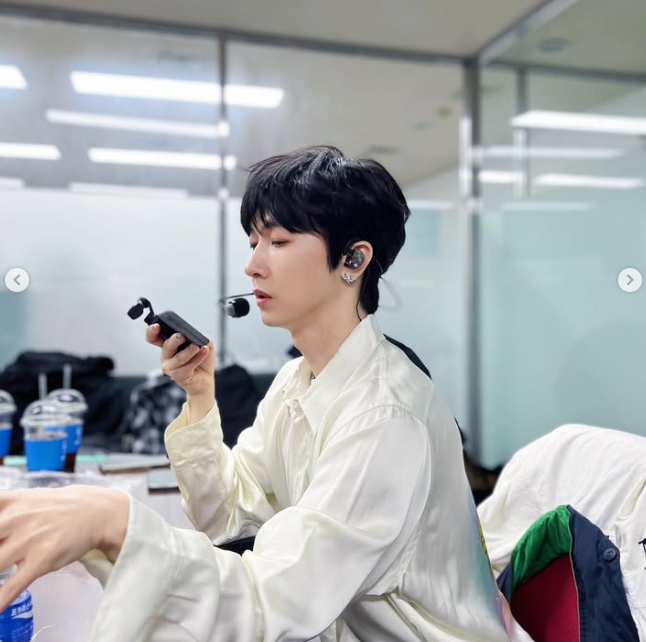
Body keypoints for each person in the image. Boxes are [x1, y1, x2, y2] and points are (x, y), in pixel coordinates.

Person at [0, 146, 527, 642]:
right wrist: (200, 399)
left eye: (278, 241)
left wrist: (114, 523)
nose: (253, 264)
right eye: (254, 241)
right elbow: (228, 516)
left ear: (353, 260)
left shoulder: (384, 415)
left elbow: (272, 602)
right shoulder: (297, 380)